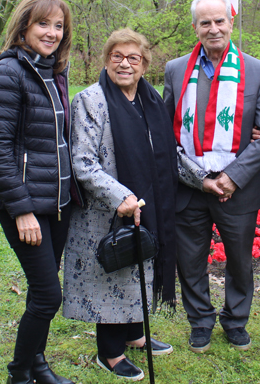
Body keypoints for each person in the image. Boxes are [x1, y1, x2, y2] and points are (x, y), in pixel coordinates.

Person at [163, 0, 260, 353]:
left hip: (236, 188)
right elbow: (166, 130)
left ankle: (235, 320)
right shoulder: (176, 69)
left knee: (240, 261)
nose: (213, 29)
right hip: (190, 185)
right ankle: (199, 321)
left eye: (219, 21)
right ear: (195, 27)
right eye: (205, 22)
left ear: (231, 22)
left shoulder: (258, 71)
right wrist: (199, 179)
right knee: (190, 260)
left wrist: (230, 177)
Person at [63, 28, 177, 381]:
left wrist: (204, 178)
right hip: (105, 210)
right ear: (106, 60)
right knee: (113, 272)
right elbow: (82, 162)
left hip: (146, 203)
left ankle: (134, 333)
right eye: (117, 57)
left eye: (133, 58)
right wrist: (120, 197)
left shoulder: (150, 99)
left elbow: (166, 152)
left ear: (144, 65)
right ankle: (109, 353)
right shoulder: (91, 100)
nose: (125, 64)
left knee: (138, 268)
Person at [0, 0, 77, 384]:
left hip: (57, 201)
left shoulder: (54, 71)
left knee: (41, 292)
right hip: (26, 204)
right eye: (43, 24)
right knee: (49, 296)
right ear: (24, 26)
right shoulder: (8, 72)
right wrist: (21, 210)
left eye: (58, 26)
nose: (52, 33)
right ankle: (19, 374)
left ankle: (37, 363)